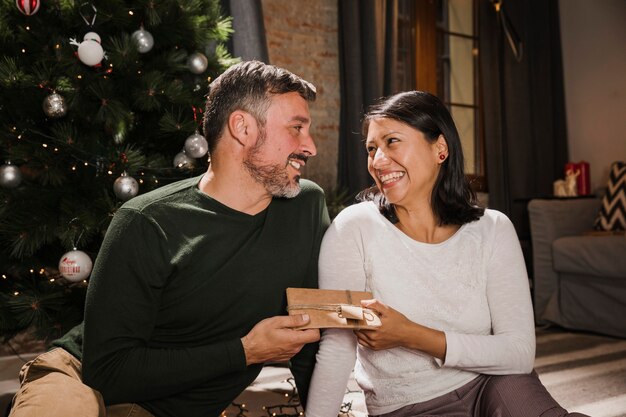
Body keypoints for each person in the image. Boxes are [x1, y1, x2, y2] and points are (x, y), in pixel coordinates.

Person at [9, 60, 329, 417]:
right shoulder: (147, 222)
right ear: (242, 127)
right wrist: (246, 351)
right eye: (296, 128)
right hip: (80, 375)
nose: (311, 147)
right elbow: (108, 371)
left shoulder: (305, 206)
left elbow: (309, 335)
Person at [305, 91, 589, 417]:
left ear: (440, 148)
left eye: (392, 141)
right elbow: (337, 347)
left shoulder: (493, 229)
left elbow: (518, 353)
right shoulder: (353, 229)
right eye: (371, 148)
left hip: (497, 384)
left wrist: (411, 335)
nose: (378, 161)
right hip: (408, 405)